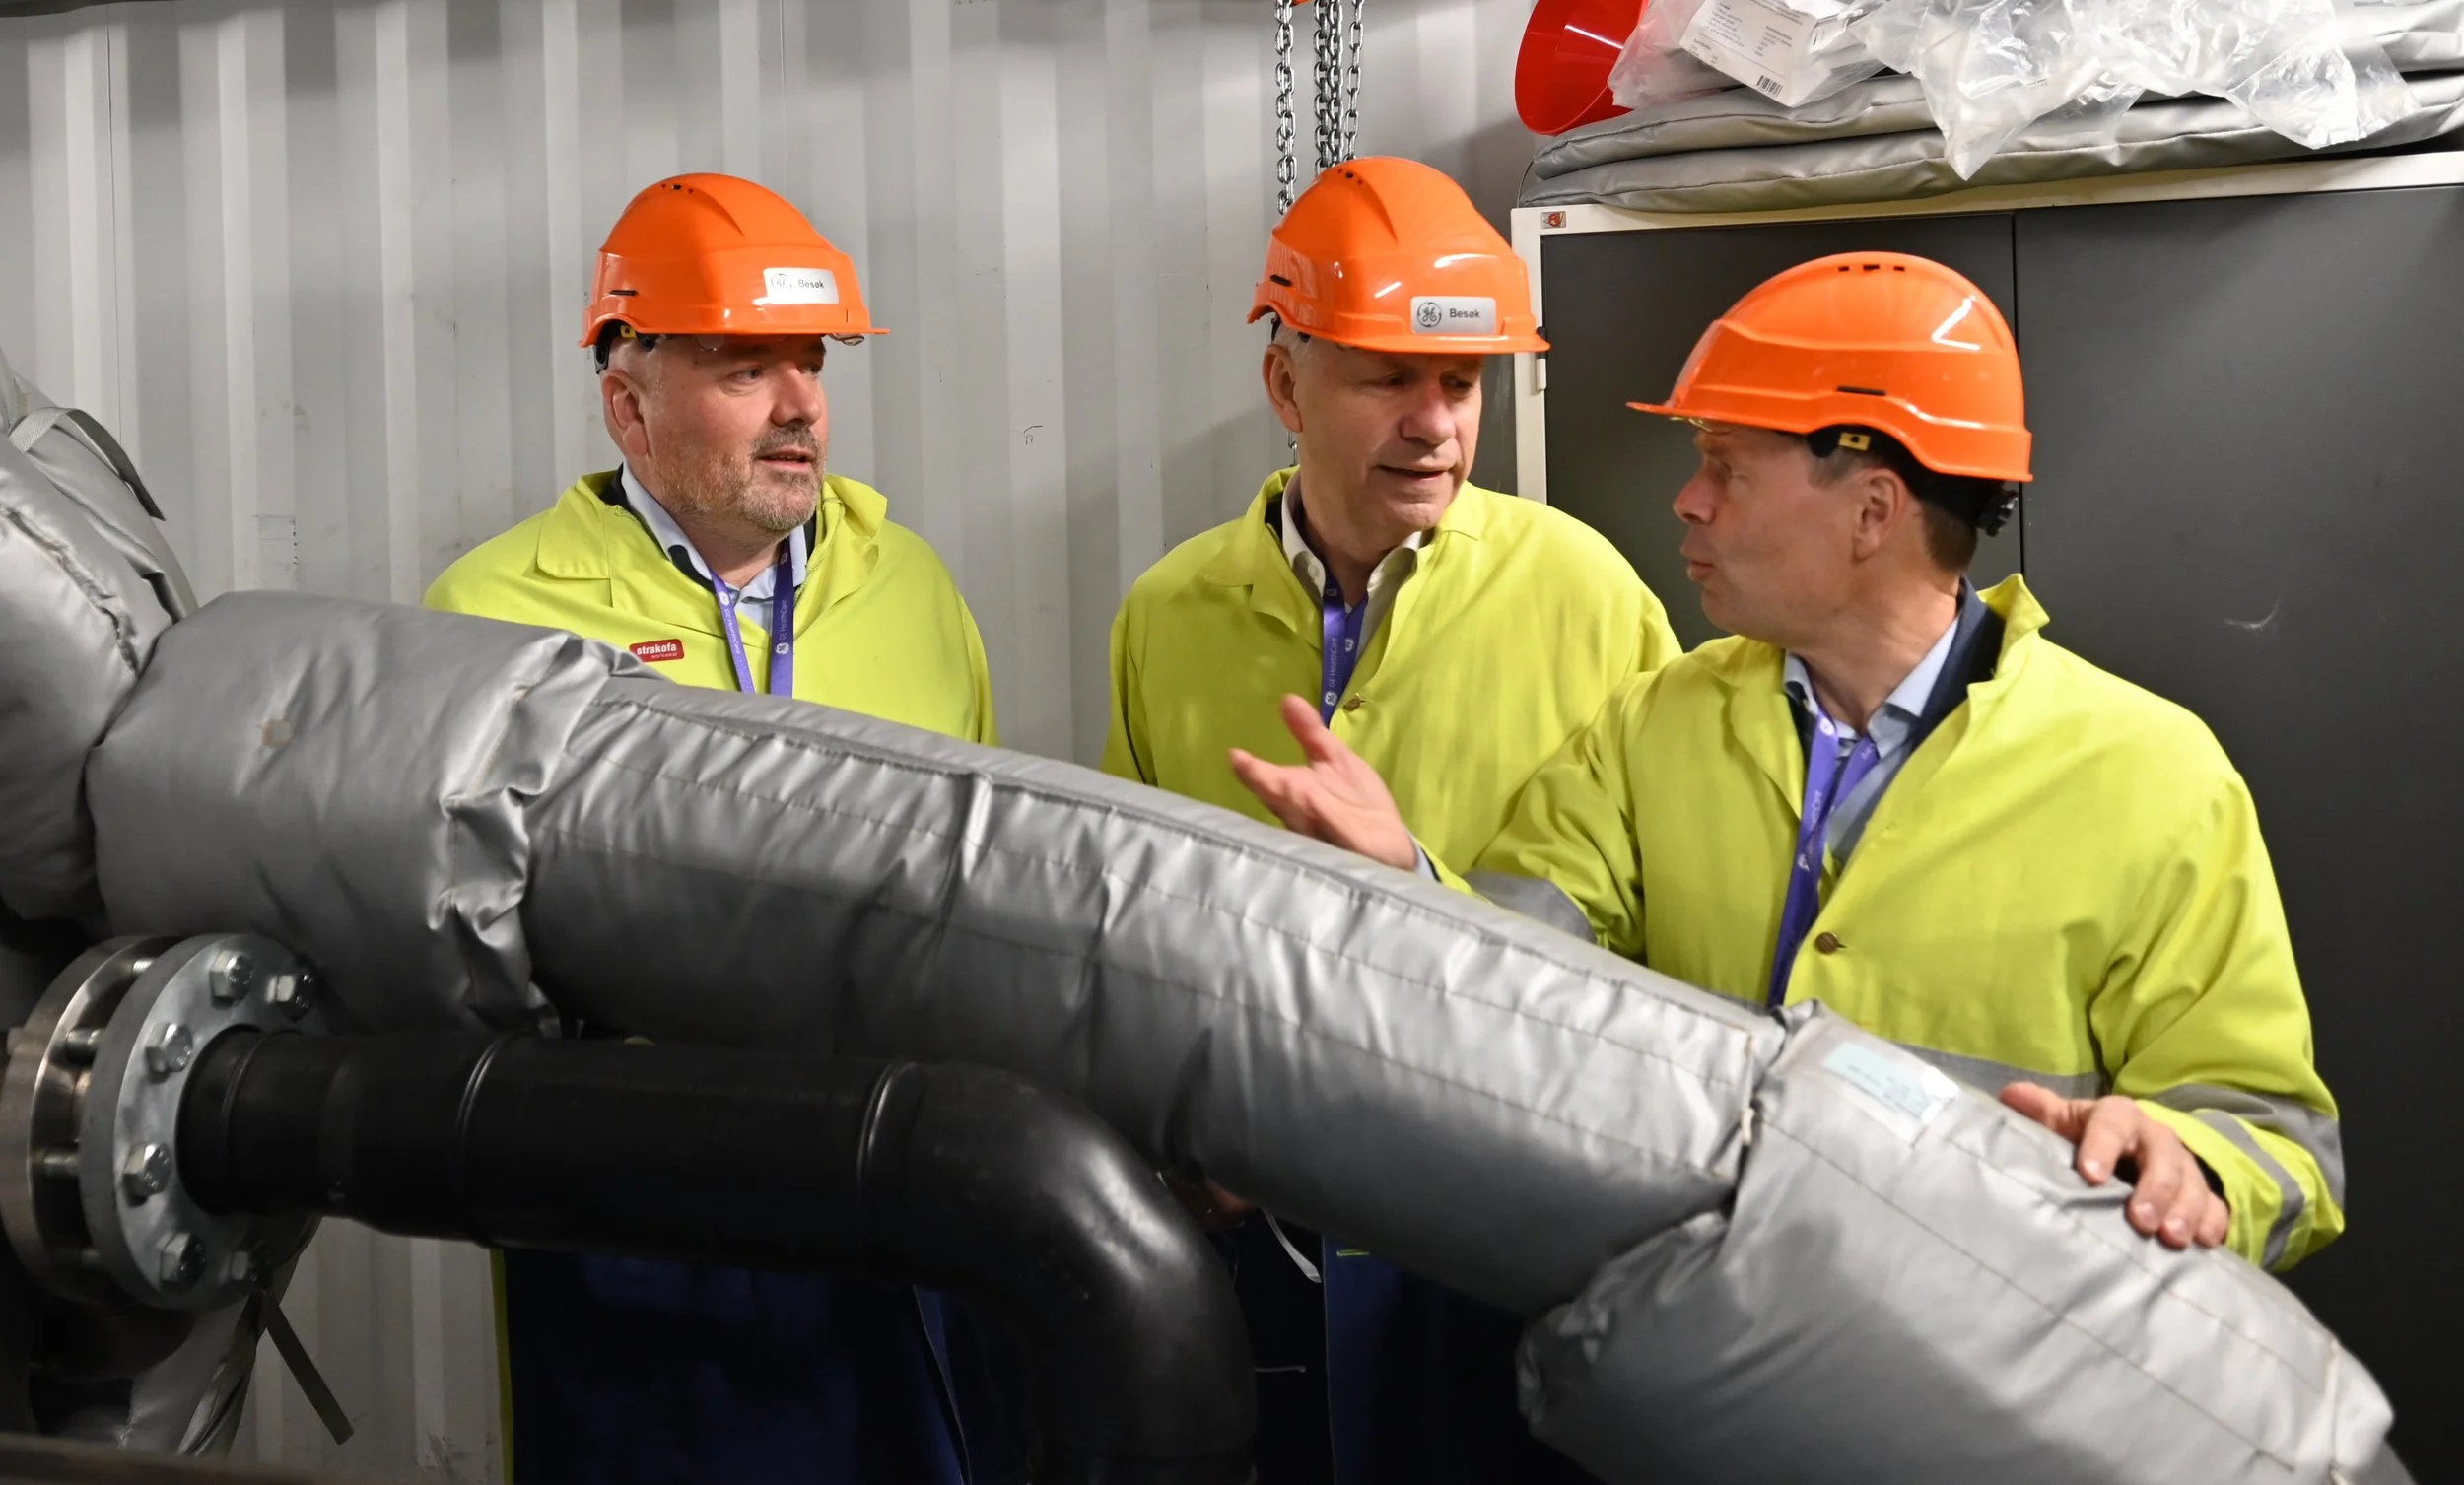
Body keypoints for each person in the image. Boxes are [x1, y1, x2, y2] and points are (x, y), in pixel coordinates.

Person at [1232, 251, 2342, 1275]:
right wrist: (1411, 876)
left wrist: (2193, 1167)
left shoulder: (2149, 777)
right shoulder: (1655, 724)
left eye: (1725, 466)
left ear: (1872, 510)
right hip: (1692, 1355)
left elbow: (2277, 1143)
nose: (1688, 498)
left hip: (1977, 1372)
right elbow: (1522, 979)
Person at [427, 172, 1015, 1484]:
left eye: (811, 363)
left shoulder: (914, 589)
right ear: (627, 406)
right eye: (747, 367)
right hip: (632, 1213)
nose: (801, 403)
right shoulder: (489, 618)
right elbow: (449, 955)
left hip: (891, 1190)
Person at [1104, 157, 1680, 1485]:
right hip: (1254, 1221)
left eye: (1461, 384)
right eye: (1388, 379)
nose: (1434, 425)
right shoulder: (1169, 613)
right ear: (1285, 384)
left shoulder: (1586, 594)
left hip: (1503, 1217)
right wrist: (1186, 1143)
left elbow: (1655, 928)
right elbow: (1131, 919)